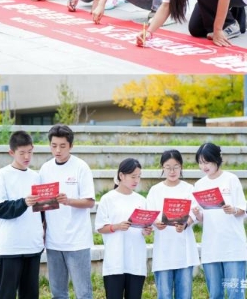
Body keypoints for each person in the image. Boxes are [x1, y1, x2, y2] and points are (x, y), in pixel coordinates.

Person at [38, 124, 95, 299]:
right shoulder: (45, 169)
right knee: (58, 292)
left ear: (71, 146)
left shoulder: (81, 167)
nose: (58, 150)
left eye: (62, 146)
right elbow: (41, 204)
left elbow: (90, 202)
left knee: (83, 292)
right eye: (54, 145)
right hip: (54, 241)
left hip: (77, 241)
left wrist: (68, 201)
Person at [0, 130, 43, 299]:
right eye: (22, 153)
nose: (27, 157)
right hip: (11, 245)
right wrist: (23, 202)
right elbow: (0, 209)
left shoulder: (36, 176)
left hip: (33, 244)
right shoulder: (2, 175)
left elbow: (42, 210)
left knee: (30, 293)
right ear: (12, 152)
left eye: (30, 152)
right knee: (6, 292)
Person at [192, 143, 246, 299]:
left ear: (217, 159)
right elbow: (202, 219)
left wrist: (233, 209)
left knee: (235, 293)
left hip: (233, 247)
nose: (204, 166)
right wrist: (197, 213)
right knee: (215, 293)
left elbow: (242, 208)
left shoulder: (231, 179)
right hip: (212, 247)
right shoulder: (199, 185)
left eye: (207, 161)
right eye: (200, 162)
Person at [94, 158, 152, 299]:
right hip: (115, 261)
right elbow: (100, 227)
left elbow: (145, 227)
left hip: (135, 260)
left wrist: (146, 230)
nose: (136, 180)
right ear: (121, 176)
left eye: (139, 176)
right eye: (133, 176)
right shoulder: (108, 199)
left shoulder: (141, 200)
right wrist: (117, 226)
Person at [146, 150, 199, 299]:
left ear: (181, 167)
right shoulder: (155, 190)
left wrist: (186, 223)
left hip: (184, 250)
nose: (172, 171)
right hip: (163, 251)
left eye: (176, 166)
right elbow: (150, 215)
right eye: (168, 167)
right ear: (162, 167)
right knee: (165, 294)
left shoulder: (189, 189)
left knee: (184, 294)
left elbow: (194, 213)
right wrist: (156, 223)